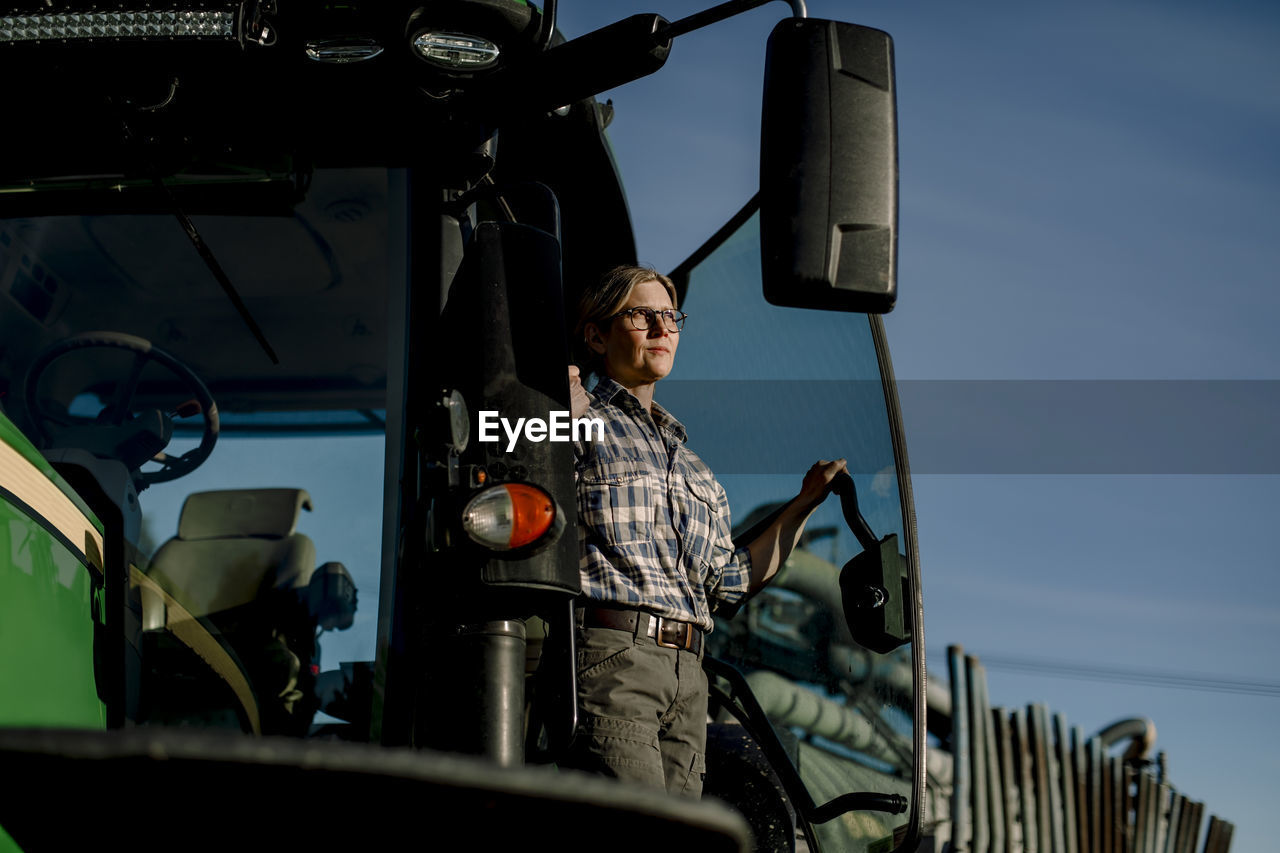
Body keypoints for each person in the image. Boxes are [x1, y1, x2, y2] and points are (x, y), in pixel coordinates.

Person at [562, 264, 846, 797]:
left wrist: (804, 504)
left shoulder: (694, 470)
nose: (662, 329)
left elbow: (732, 581)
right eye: (642, 315)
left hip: (690, 678)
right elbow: (494, 441)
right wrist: (539, 398)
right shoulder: (574, 415)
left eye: (671, 317)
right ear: (596, 335)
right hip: (614, 659)